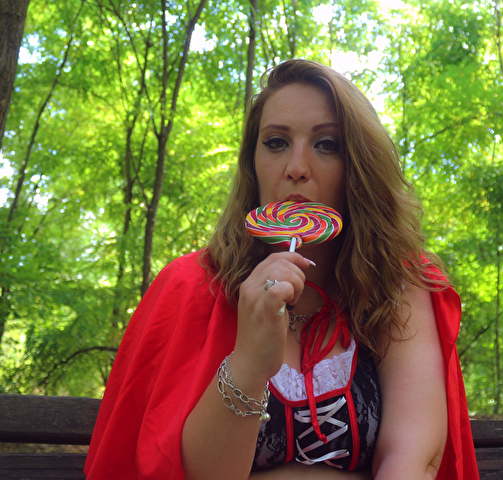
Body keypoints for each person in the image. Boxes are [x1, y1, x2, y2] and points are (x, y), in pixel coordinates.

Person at [84, 59, 479, 480]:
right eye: (276, 142)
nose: (296, 168)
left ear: (359, 166)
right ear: (251, 163)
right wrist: (250, 361)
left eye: (327, 144)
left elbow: (413, 459)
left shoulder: (398, 285)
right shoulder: (190, 286)